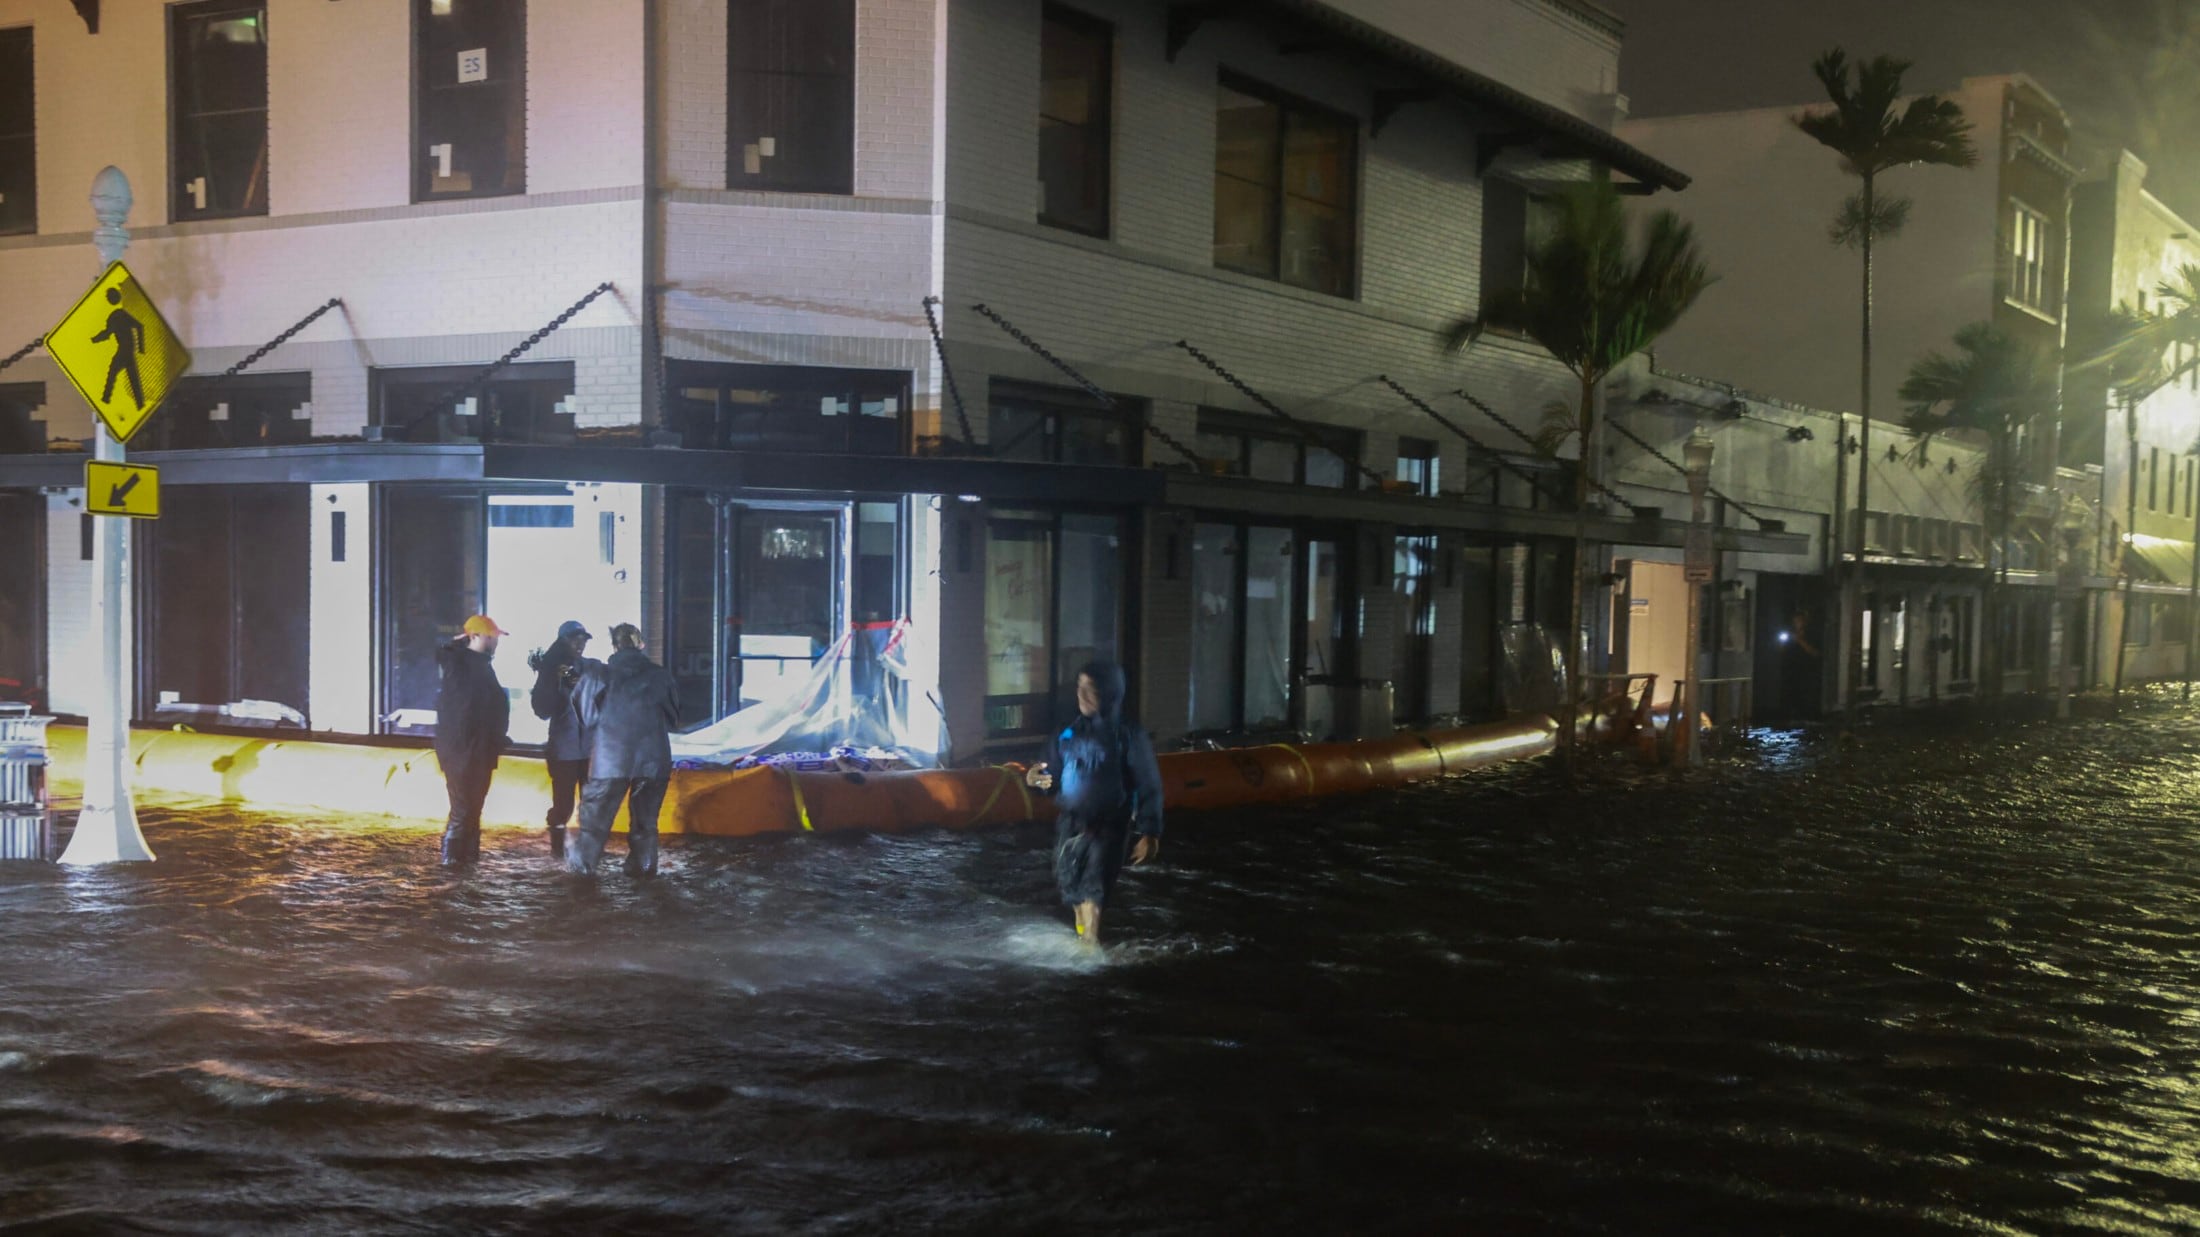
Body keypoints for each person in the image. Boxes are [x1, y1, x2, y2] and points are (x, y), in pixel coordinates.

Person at [1024, 660, 1164, 944]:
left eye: (1092, 690)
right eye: (1080, 687)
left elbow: (1149, 783)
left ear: (1109, 694)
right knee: (1070, 884)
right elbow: (1048, 774)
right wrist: (1034, 780)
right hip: (1071, 822)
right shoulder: (1067, 732)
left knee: (1093, 884)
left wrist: (1150, 831)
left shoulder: (1128, 735)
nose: (1083, 696)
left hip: (1110, 823)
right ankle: (1082, 936)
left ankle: (1091, 944)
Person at [568, 623, 680, 877]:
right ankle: (645, 875)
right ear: (641, 644)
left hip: (610, 761)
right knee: (646, 826)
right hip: (654, 762)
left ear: (615, 646)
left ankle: (580, 882)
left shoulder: (598, 674)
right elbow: (674, 717)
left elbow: (586, 717)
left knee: (593, 829)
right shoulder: (661, 675)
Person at [435, 614, 511, 866]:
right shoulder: (462, 664)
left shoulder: (477, 664)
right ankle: (454, 860)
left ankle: (464, 861)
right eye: (492, 637)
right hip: (464, 751)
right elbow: (467, 710)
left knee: (472, 808)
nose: (496, 643)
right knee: (463, 809)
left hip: (475, 750)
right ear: (476, 637)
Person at [528, 619, 598, 859]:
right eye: (575, 639)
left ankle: (586, 849)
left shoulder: (589, 667)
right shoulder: (553, 671)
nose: (580, 644)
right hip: (565, 750)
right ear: (563, 641)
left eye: (583, 640)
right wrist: (550, 677)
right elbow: (542, 709)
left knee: (590, 803)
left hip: (587, 750)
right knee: (564, 805)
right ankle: (558, 849)